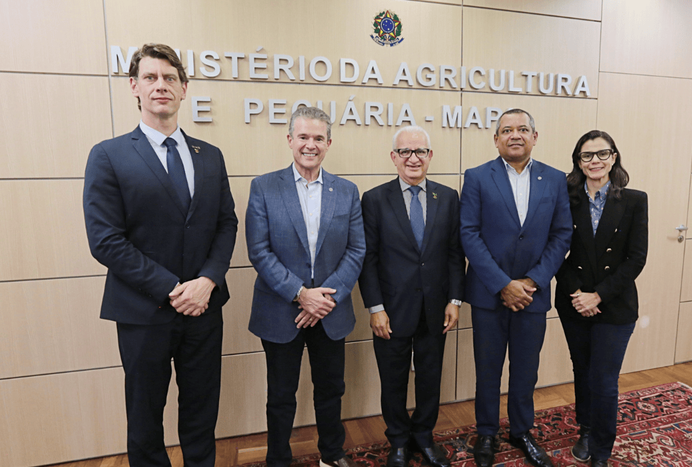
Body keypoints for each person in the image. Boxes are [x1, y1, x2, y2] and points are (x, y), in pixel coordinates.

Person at [83, 43, 238, 466]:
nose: (160, 86)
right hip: (142, 312)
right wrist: (173, 288)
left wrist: (207, 281)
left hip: (204, 309)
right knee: (146, 417)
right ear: (134, 86)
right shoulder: (109, 155)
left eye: (170, 78)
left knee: (202, 412)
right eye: (150, 77)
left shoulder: (211, 156)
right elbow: (106, 240)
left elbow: (226, 223)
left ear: (184, 89)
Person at [245, 106, 365, 467]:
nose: (310, 145)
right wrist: (301, 295)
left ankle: (332, 454)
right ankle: (278, 459)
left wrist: (324, 298)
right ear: (290, 140)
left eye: (318, 138)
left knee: (331, 390)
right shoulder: (264, 187)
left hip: (331, 310)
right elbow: (259, 250)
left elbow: (357, 249)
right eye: (303, 137)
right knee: (281, 395)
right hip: (282, 311)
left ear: (328, 143)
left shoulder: (346, 191)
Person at [460, 109, 571, 467]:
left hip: (533, 297)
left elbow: (562, 234)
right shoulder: (477, 177)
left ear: (534, 137)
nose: (515, 135)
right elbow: (469, 234)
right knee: (488, 370)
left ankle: (521, 431)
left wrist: (532, 281)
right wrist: (502, 284)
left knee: (526, 369)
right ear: (496, 139)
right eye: (506, 130)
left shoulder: (555, 180)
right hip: (488, 295)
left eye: (523, 129)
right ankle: (487, 433)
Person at [358, 126, 465, 467]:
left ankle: (424, 436)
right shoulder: (374, 199)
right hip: (391, 310)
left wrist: (455, 300)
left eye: (420, 151)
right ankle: (399, 441)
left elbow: (453, 253)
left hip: (436, 308)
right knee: (393, 379)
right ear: (394, 158)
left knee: (431, 376)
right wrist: (375, 307)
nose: (413, 158)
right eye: (405, 152)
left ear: (430, 156)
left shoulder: (448, 197)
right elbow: (368, 258)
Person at [555, 130, 648, 467]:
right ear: (578, 162)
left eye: (602, 154)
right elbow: (556, 252)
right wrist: (577, 294)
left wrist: (598, 295)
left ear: (613, 157)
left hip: (615, 304)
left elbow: (636, 258)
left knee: (604, 379)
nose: (594, 161)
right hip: (574, 301)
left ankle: (602, 450)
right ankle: (586, 428)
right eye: (586, 156)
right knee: (583, 369)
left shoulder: (635, 200)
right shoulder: (565, 197)